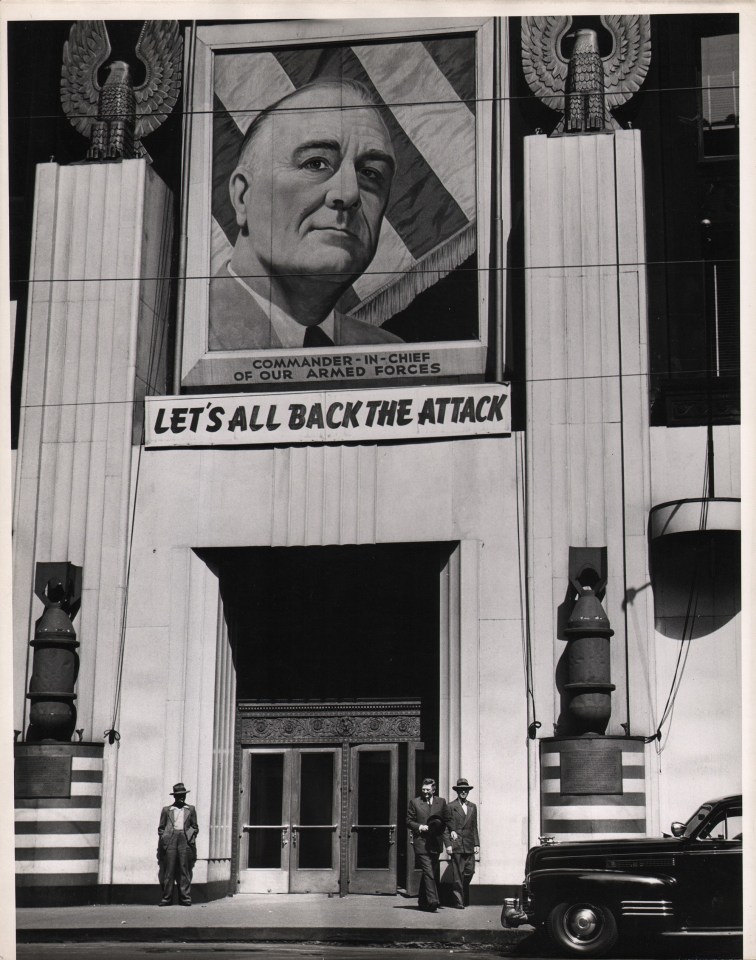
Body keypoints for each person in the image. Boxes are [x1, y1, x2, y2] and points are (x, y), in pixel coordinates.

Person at [209, 78, 403, 350]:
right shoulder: (180, 339)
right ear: (243, 196)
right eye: (315, 163)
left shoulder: (388, 353)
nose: (349, 194)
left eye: (370, 173)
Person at [407, 777, 448, 912]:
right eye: (423, 790)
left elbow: (446, 822)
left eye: (428, 790)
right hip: (421, 843)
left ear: (434, 789)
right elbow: (409, 821)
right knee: (428, 870)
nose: (425, 792)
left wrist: (449, 841)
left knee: (429, 872)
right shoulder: (415, 802)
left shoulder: (441, 802)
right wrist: (419, 827)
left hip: (435, 843)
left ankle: (422, 901)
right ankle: (433, 900)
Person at [157, 782, 198, 906]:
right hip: (171, 839)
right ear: (174, 796)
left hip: (184, 839)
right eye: (179, 795)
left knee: (184, 869)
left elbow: (195, 827)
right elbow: (161, 827)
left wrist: (190, 836)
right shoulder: (167, 810)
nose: (182, 797)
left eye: (183, 795)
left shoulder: (190, 809)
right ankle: (166, 898)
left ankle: (185, 898)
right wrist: (164, 837)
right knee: (169, 870)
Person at [444, 777, 480, 909]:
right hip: (457, 845)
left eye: (465, 790)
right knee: (458, 875)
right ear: (457, 791)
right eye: (461, 790)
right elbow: (446, 828)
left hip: (469, 844)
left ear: (468, 791)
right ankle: (458, 901)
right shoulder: (450, 807)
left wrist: (476, 844)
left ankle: (461, 894)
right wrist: (448, 845)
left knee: (470, 871)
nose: (463, 792)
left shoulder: (472, 806)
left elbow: (474, 827)